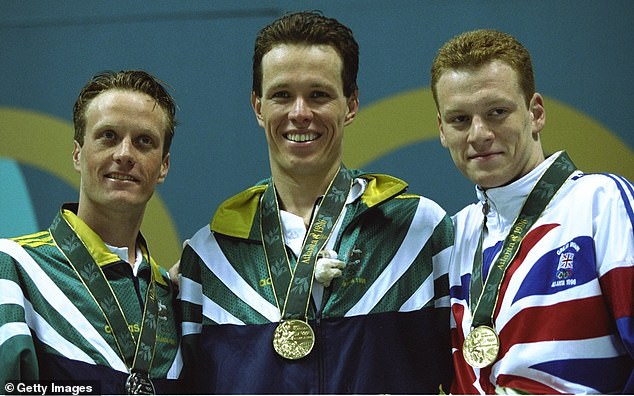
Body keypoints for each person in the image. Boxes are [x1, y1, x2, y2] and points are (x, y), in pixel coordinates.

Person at [178, 11, 454, 394]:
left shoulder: (418, 230)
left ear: (351, 104)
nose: (300, 113)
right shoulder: (211, 256)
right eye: (282, 95)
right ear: (258, 106)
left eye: (319, 95)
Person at [430, 29, 634, 394]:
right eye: (460, 120)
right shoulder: (452, 235)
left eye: (497, 112)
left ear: (536, 112)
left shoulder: (602, 204)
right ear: (442, 130)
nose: (478, 134)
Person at [0, 70, 183, 394]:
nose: (125, 154)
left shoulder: (172, 298)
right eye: (108, 136)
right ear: (77, 153)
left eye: (144, 141)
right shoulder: (15, 269)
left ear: (163, 166)